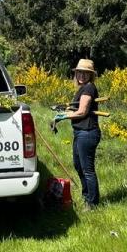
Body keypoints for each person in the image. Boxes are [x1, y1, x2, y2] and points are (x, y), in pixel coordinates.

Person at [54, 59, 102, 211]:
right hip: (80, 132)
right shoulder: (82, 88)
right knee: (78, 165)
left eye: (85, 73)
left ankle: (92, 204)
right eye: (79, 72)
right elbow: (76, 108)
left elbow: (82, 112)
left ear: (90, 75)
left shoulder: (88, 89)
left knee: (87, 169)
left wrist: (63, 116)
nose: (81, 75)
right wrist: (65, 110)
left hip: (87, 133)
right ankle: (87, 196)